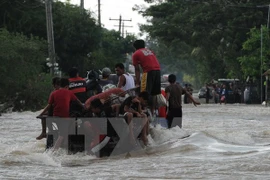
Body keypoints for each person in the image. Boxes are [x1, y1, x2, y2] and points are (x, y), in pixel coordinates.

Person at [37, 78, 85, 151]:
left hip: (55, 117)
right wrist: (84, 107)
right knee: (63, 133)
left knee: (62, 130)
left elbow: (49, 105)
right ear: (67, 86)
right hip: (64, 118)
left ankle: (50, 139)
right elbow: (78, 102)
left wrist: (41, 113)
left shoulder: (54, 93)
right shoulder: (69, 93)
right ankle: (54, 151)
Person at [132, 39, 161, 113]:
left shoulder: (136, 54)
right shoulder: (150, 51)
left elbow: (137, 69)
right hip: (158, 71)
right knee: (154, 93)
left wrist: (137, 83)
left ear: (135, 47)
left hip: (148, 71)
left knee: (144, 92)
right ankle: (152, 111)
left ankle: (144, 110)